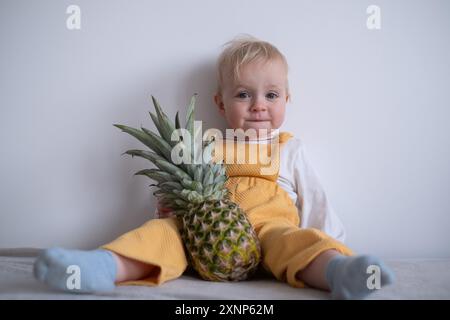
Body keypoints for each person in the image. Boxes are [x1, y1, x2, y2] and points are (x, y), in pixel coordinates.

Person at [33, 34, 395, 299]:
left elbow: (316, 201)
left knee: (293, 241)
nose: (258, 105)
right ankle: (101, 267)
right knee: (161, 236)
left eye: (271, 95)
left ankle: (338, 271)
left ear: (287, 99)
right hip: (203, 238)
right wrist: (165, 211)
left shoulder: (289, 149)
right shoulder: (204, 148)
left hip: (268, 232)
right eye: (243, 94)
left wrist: (331, 243)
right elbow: (177, 191)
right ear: (220, 104)